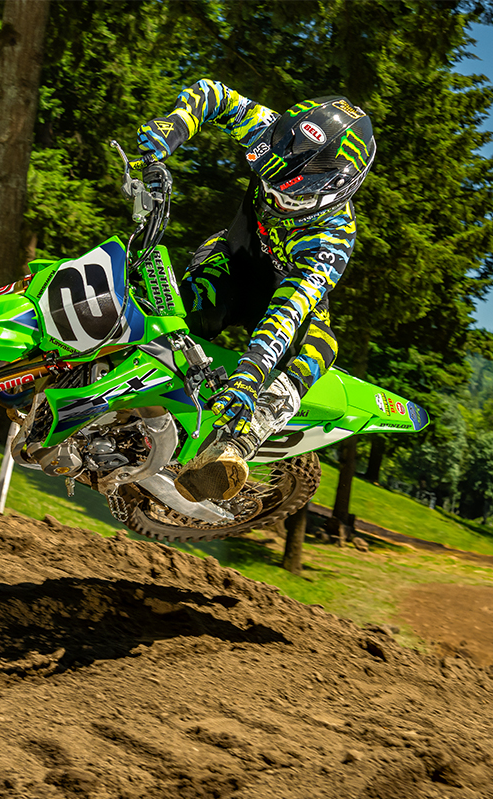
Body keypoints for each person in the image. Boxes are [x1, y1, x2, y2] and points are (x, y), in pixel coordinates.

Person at [134, 79, 376, 503]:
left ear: (334, 193)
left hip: (284, 294)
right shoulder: (274, 133)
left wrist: (249, 377)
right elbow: (214, 93)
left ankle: (239, 443)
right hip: (232, 259)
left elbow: (287, 311)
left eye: (290, 198)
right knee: (179, 310)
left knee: (319, 345)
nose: (271, 197)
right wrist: (176, 123)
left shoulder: (333, 238)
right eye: (266, 182)